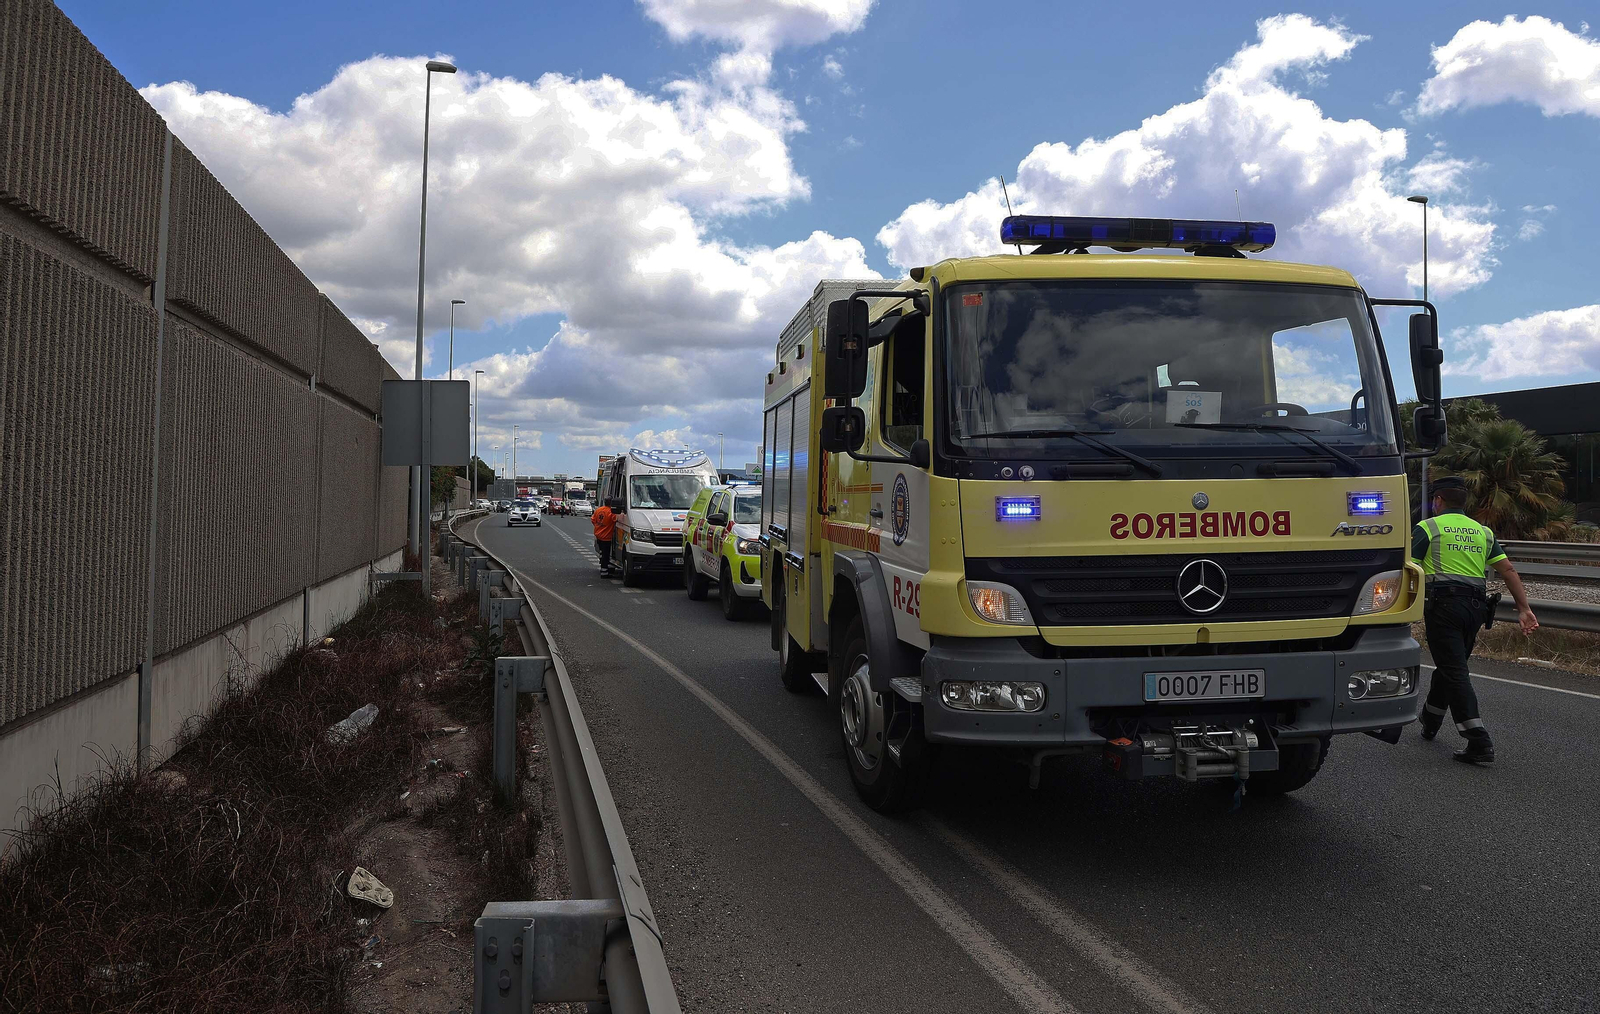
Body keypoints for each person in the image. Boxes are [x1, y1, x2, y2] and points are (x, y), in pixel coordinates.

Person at [1412, 475, 1538, 764]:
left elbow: (1410, 569)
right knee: (1450, 665)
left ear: (1438, 501)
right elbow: (1508, 571)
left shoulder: (1428, 527)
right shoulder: (1482, 531)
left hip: (1444, 607)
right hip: (1475, 609)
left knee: (1454, 670)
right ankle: (1430, 721)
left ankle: (1478, 740)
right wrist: (1524, 608)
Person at [592, 498, 618, 575]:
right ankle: (604, 571)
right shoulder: (611, 512)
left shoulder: (598, 510)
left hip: (598, 535)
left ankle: (602, 561)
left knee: (602, 552)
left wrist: (599, 526)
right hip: (606, 537)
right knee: (606, 555)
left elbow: (593, 520)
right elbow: (616, 520)